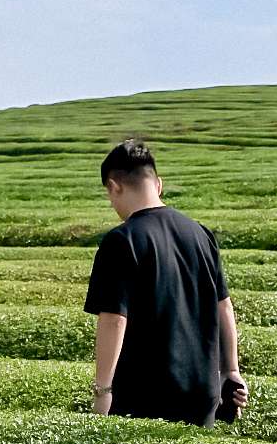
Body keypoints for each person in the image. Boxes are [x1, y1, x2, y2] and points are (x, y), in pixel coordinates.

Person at [82, 138, 248, 424]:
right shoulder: (200, 233)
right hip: (202, 394)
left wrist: (103, 392)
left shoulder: (121, 241)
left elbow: (113, 319)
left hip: (146, 396)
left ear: (114, 187)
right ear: (158, 184)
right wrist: (231, 370)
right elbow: (225, 307)